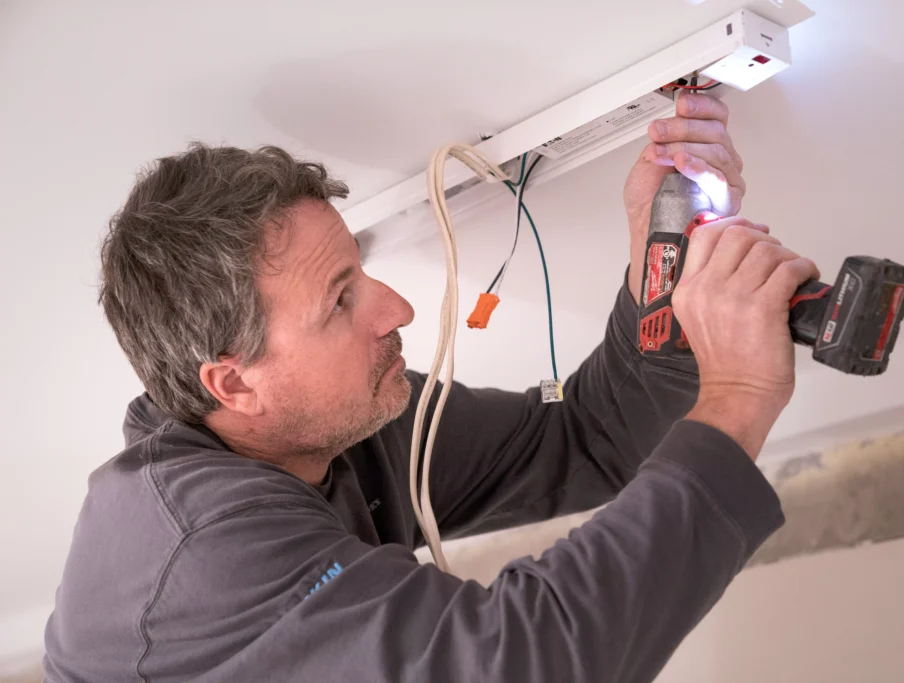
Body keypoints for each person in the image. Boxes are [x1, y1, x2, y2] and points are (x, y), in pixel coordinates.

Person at [43, 94, 817, 682]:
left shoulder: (338, 419)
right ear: (234, 381)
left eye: (360, 272)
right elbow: (526, 659)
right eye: (340, 301)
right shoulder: (201, 554)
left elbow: (584, 438)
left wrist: (661, 264)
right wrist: (739, 392)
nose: (397, 310)